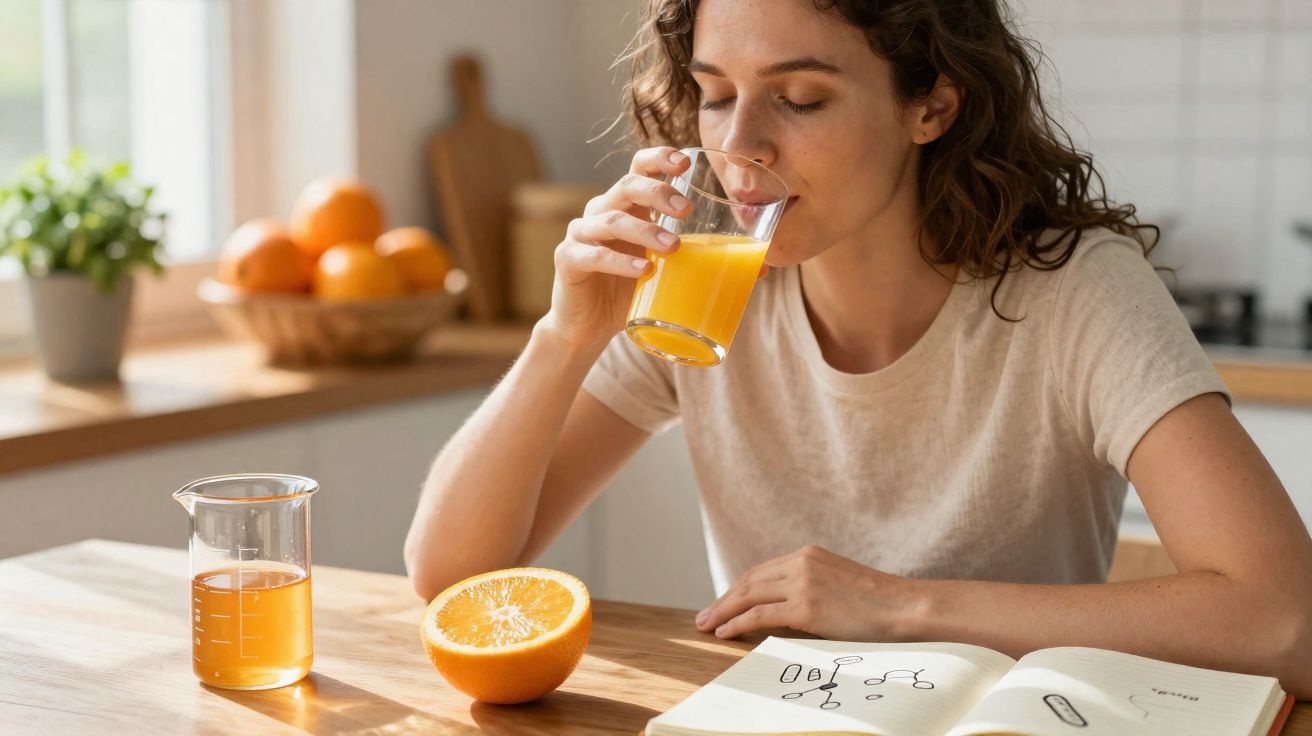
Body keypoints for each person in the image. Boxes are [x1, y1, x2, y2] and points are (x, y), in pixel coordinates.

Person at [405, 0, 1312, 695]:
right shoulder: (704, 286)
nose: (740, 147)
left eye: (800, 98)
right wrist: (567, 335)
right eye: (716, 96)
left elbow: (1287, 620)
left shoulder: (1073, 292)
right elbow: (451, 576)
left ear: (932, 105)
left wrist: (897, 607)